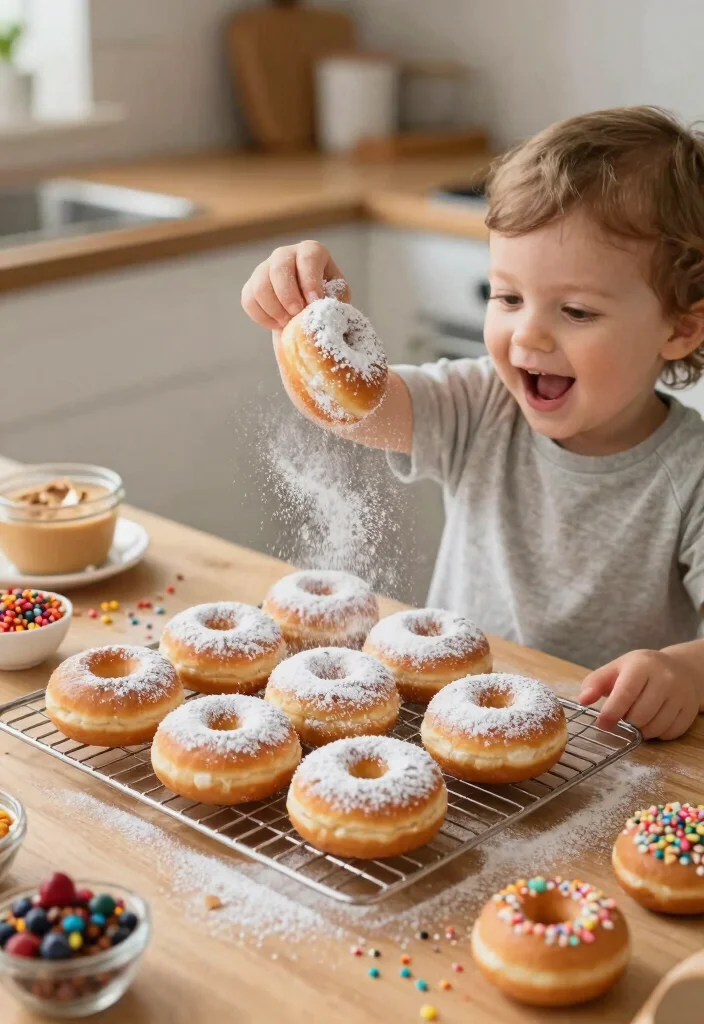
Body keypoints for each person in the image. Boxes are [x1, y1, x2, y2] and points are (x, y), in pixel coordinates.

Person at [241, 105, 704, 741]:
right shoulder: (482, 404)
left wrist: (686, 671)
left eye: (575, 310)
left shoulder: (692, 474)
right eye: (506, 297)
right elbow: (358, 410)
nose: (527, 333)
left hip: (595, 748)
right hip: (449, 723)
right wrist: (301, 320)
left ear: (679, 328)